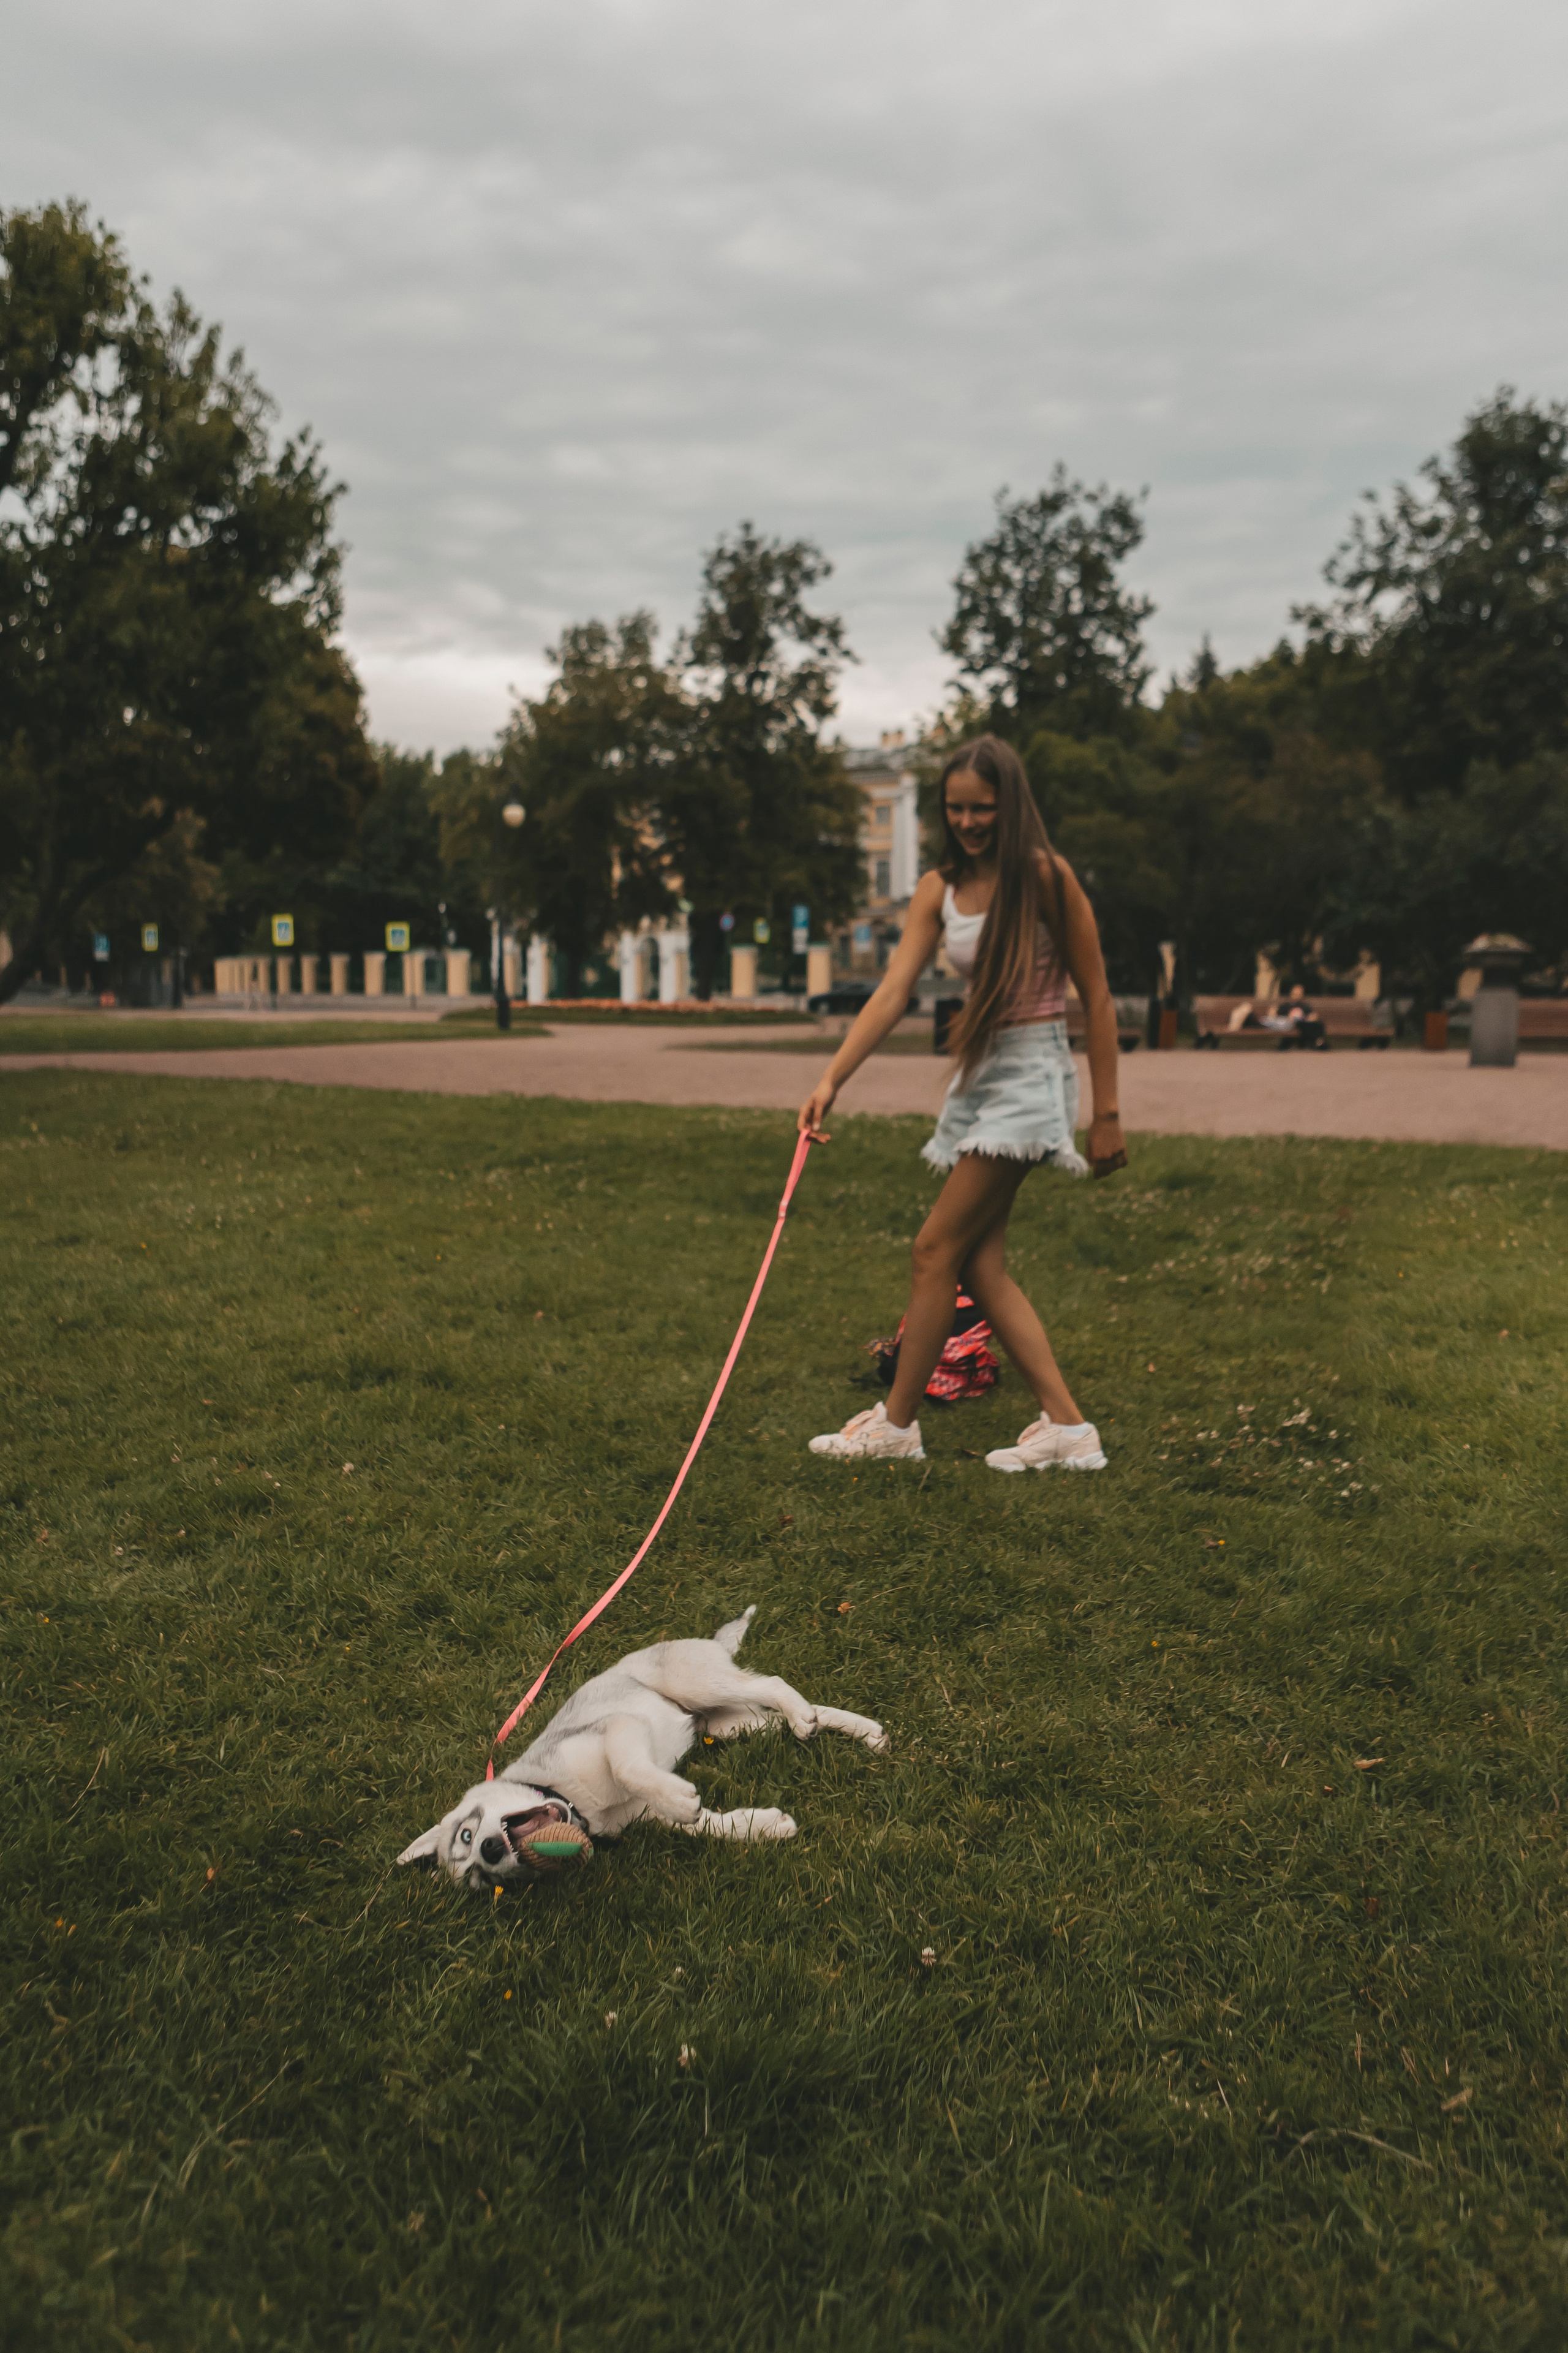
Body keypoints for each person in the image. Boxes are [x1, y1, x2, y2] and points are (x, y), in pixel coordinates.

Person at [797, 734, 1125, 1473]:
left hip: (1032, 1074)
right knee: (978, 1264)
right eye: (956, 809)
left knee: (933, 1249)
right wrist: (832, 1079)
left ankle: (897, 1426)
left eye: (982, 808)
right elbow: (891, 992)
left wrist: (1106, 1114)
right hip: (981, 1078)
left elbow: (1097, 997)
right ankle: (1068, 1430)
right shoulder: (938, 888)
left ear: (1009, 805)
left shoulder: (1046, 877)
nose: (969, 821)